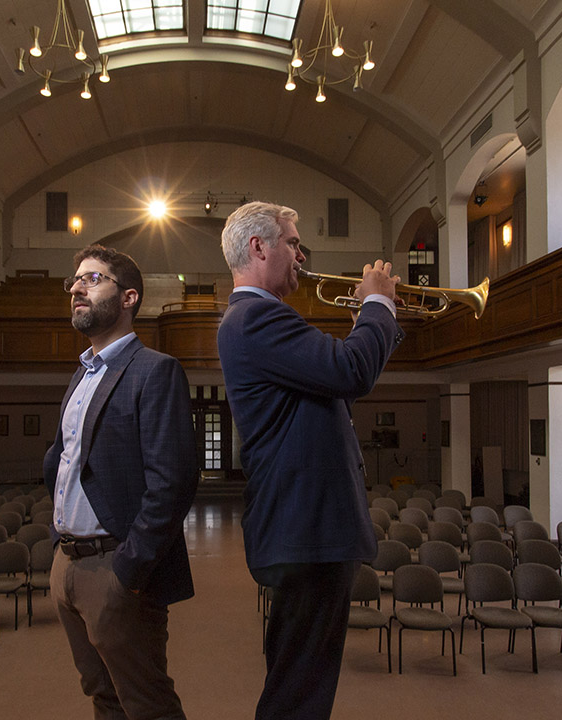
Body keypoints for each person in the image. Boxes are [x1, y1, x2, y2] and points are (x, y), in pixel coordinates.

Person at [217, 202, 404, 720]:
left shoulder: (259, 318)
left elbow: (334, 382)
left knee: (299, 683)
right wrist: (377, 308)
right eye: (293, 242)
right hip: (307, 526)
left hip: (306, 526)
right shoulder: (256, 317)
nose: (302, 254)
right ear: (259, 247)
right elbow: (350, 371)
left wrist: (372, 320)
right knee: (300, 693)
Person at [44, 244, 198, 720]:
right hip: (67, 564)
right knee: (102, 695)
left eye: (92, 279)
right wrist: (57, 548)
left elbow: (172, 483)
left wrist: (128, 571)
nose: (76, 288)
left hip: (115, 566)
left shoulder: (155, 370)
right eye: (75, 281)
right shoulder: (83, 372)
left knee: (147, 703)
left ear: (128, 297)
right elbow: (64, 462)